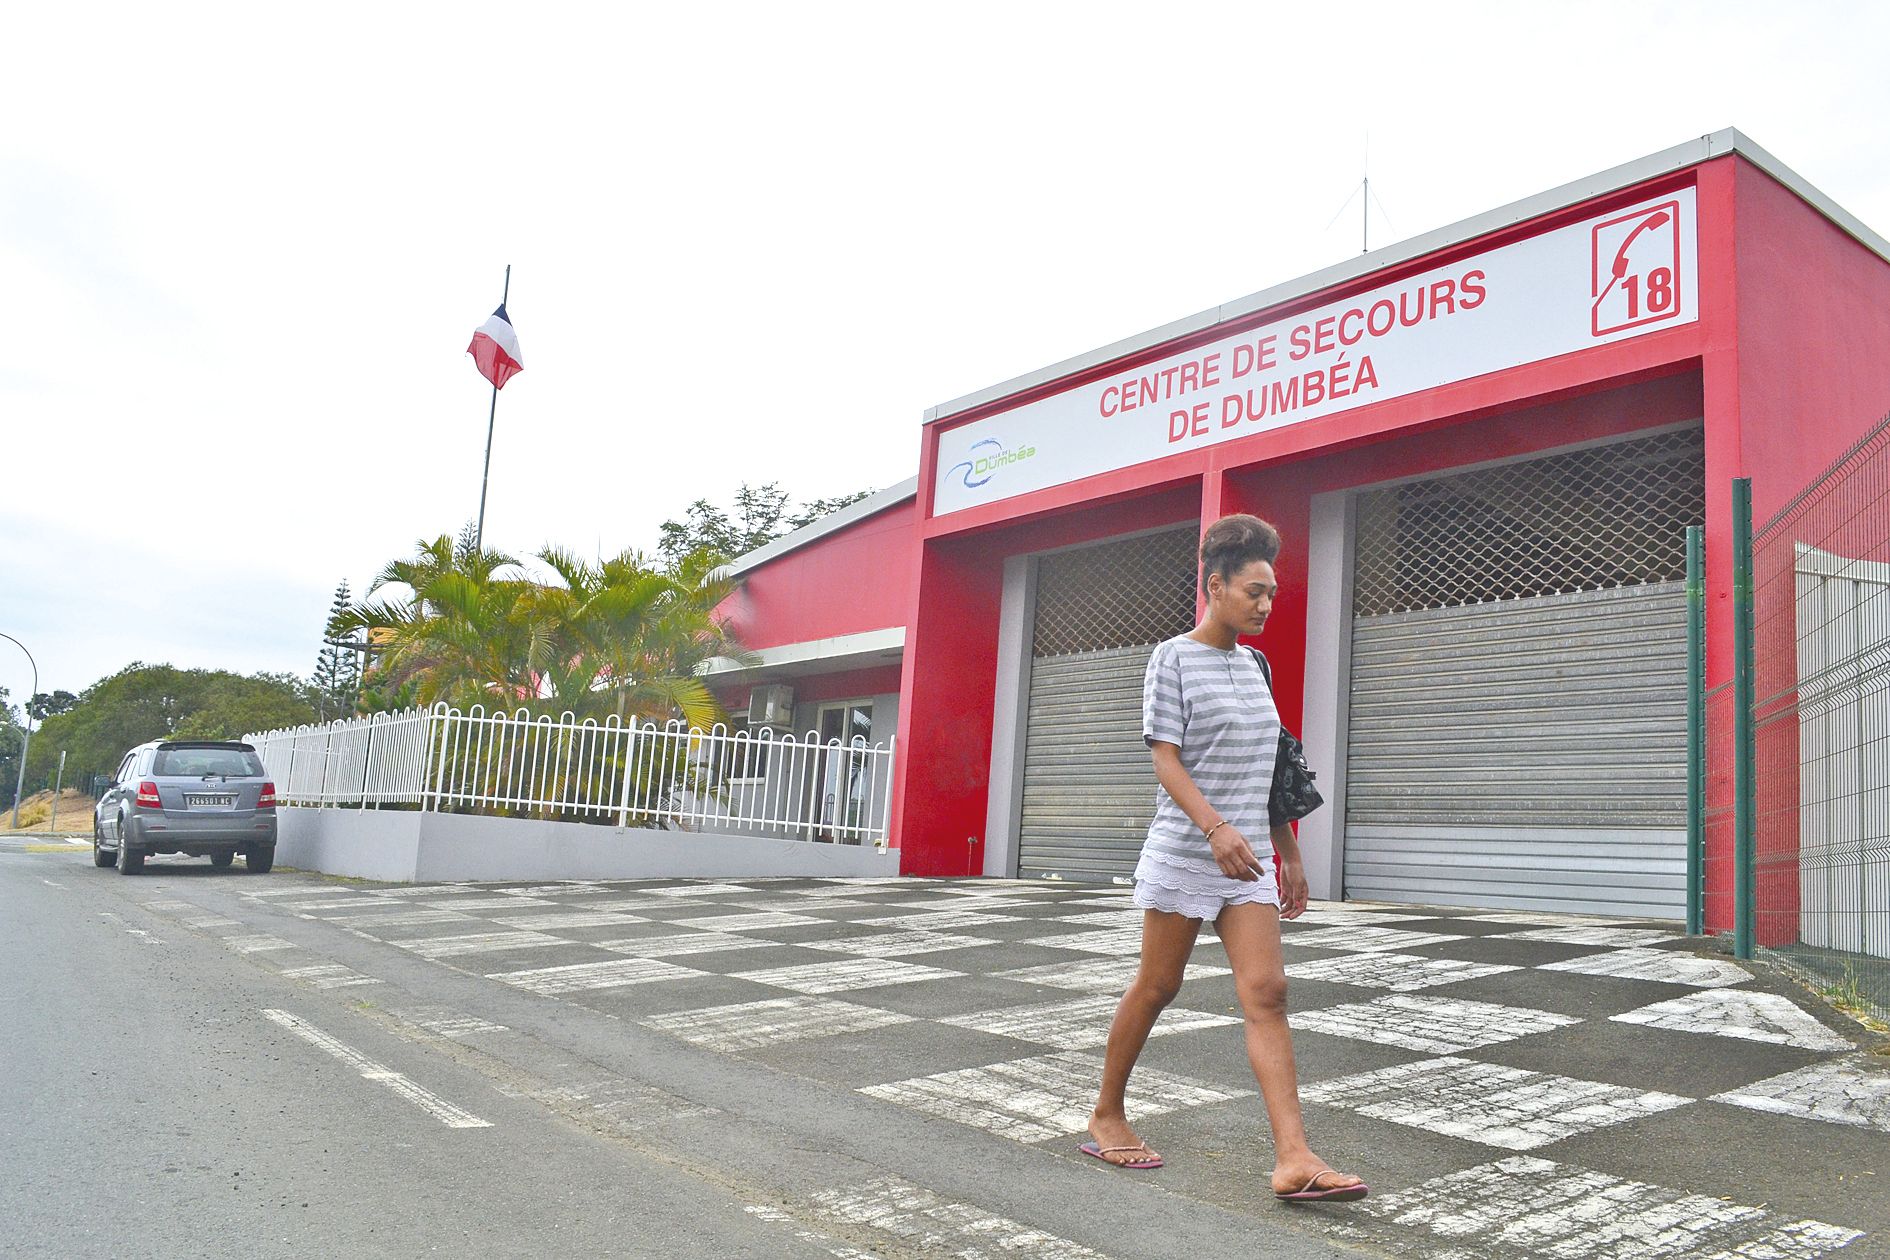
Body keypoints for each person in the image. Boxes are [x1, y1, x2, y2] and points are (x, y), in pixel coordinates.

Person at [1082, 513, 1368, 1203]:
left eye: (1272, 592)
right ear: (1215, 585)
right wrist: (1214, 829)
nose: (1267, 603)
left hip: (1248, 861)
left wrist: (1288, 850)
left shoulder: (1256, 664)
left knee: (1268, 993)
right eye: (1255, 590)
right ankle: (1106, 1115)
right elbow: (1166, 760)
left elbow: (1273, 762)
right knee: (1159, 986)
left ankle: (1294, 1158)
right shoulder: (1172, 658)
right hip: (1188, 849)